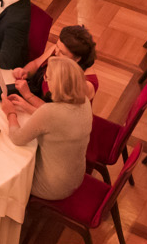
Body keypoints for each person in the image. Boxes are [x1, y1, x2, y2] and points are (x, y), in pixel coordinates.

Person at [6, 57, 96, 201]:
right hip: (75, 177)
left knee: (6, 160)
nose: (46, 81)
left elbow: (17, 138)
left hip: (51, 186)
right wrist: (27, 103)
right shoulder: (84, 101)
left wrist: (10, 112)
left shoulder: (50, 112)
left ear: (58, 84)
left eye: (47, 77)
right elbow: (57, 121)